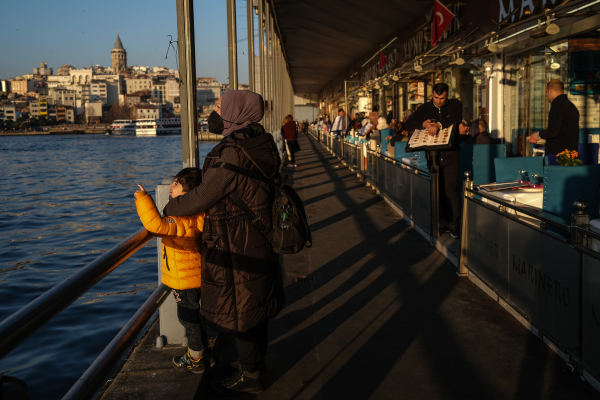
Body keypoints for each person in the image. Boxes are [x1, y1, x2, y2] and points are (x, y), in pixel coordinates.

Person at [164, 90, 285, 396]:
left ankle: (251, 375)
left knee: (241, 311)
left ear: (235, 111)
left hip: (236, 241)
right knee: (254, 306)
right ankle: (254, 365)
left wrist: (169, 209)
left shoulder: (232, 151)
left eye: (219, 106)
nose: (214, 112)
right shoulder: (261, 140)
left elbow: (203, 195)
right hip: (257, 235)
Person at [134, 169, 213, 373]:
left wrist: (143, 198)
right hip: (195, 274)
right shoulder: (199, 213)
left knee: (188, 318)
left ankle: (196, 358)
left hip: (184, 280)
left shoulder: (180, 218)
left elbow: (156, 226)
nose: (170, 186)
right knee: (195, 315)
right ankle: (202, 351)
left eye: (176, 184)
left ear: (188, 193)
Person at [406, 82, 463, 238]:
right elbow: (408, 123)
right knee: (439, 191)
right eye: (436, 98)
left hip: (451, 154)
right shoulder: (424, 108)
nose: (439, 101)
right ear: (432, 95)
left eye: (442, 98)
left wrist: (438, 124)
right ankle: (445, 221)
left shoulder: (455, 105)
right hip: (433, 155)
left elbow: (456, 117)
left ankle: (454, 224)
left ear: (447, 95)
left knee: (450, 190)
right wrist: (422, 124)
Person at [528, 79, 580, 155]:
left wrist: (538, 135)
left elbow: (554, 131)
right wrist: (547, 141)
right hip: (571, 154)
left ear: (550, 91)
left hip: (558, 157)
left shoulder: (557, 107)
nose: (547, 95)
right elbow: (565, 133)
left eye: (546, 92)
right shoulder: (572, 106)